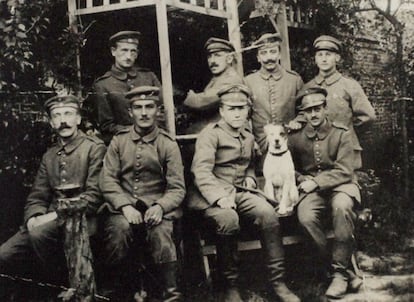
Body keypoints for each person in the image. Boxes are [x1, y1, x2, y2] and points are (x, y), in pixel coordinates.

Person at [189, 83, 300, 302]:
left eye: (241, 108)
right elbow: (200, 171)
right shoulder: (210, 135)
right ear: (222, 111)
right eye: (232, 108)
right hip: (211, 196)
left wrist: (250, 176)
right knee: (229, 219)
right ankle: (230, 286)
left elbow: (248, 162)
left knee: (268, 213)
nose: (238, 113)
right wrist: (219, 197)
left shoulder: (247, 136)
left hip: (239, 193)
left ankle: (278, 282)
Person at [0, 95, 106, 287]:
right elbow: (37, 196)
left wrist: (50, 217)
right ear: (51, 122)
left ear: (78, 119)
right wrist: (33, 217)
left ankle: (62, 286)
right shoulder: (50, 155)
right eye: (56, 116)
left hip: (83, 219)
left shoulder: (94, 148)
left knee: (39, 234)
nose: (63, 120)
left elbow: (94, 196)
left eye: (68, 114)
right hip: (48, 221)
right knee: (5, 255)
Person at [99, 86, 185, 301]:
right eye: (138, 107)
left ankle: (170, 294)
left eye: (149, 107)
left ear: (158, 110)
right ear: (130, 112)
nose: (144, 113)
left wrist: (161, 206)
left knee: (161, 234)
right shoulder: (119, 141)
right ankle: (120, 294)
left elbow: (177, 187)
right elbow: (107, 180)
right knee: (118, 231)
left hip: (158, 208)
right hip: (124, 208)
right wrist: (125, 206)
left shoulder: (167, 144)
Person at [288, 86, 361, 299]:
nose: (313, 114)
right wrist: (303, 180)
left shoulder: (341, 133)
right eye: (308, 110)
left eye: (317, 109)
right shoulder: (295, 137)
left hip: (341, 185)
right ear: (303, 113)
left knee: (342, 207)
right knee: (306, 217)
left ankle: (338, 274)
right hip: (311, 189)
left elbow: (345, 170)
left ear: (325, 108)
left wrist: (317, 182)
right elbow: (289, 168)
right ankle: (343, 271)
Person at [302, 35, 376, 169]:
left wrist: (347, 132)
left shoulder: (349, 85)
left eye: (328, 54)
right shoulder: (307, 87)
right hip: (317, 153)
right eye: (320, 55)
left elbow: (368, 116)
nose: (324, 59)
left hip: (346, 151)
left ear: (337, 58)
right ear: (315, 59)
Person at [93, 31, 161, 144]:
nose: (128, 56)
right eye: (124, 50)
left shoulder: (149, 77)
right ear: (113, 51)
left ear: (137, 53)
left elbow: (162, 110)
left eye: (132, 51)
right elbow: (107, 125)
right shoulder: (103, 85)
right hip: (123, 143)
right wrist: (136, 133)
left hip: (155, 140)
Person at [245, 33, 304, 154]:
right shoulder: (248, 82)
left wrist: (298, 121)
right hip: (260, 147)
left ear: (279, 54)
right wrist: (250, 140)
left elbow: (304, 110)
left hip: (290, 146)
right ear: (258, 57)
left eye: (273, 52)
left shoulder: (294, 80)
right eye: (263, 53)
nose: (268, 58)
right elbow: (243, 117)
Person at [183, 37, 244, 134]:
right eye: (209, 57)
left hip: (223, 135)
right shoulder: (218, 77)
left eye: (217, 55)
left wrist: (183, 95)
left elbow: (201, 102)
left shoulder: (231, 80)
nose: (212, 61)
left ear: (229, 58)